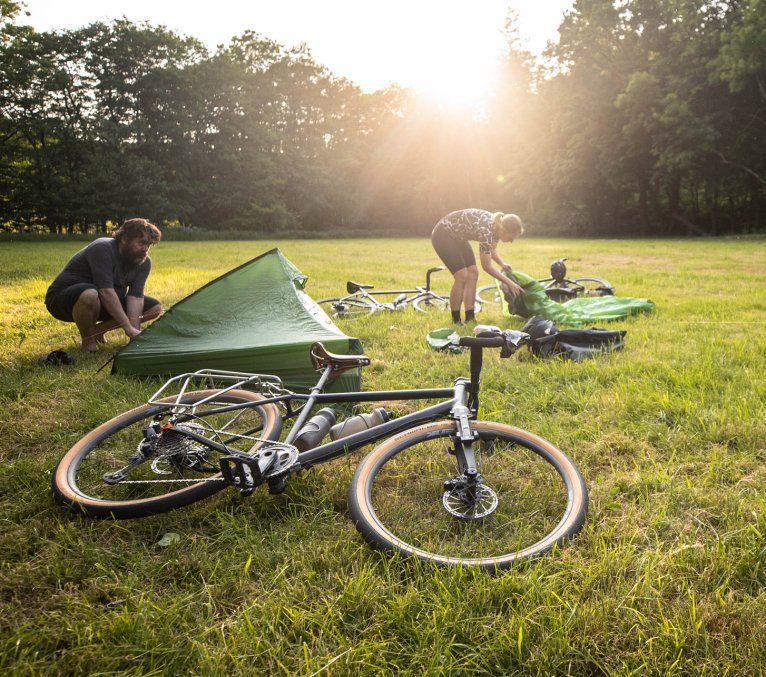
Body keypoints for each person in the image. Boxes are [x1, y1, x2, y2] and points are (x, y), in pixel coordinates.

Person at [45, 218, 163, 351]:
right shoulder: (102, 248)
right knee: (90, 293)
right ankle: (88, 342)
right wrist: (127, 327)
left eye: (149, 244)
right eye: (141, 243)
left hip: (102, 302)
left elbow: (135, 298)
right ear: (124, 238)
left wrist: (133, 335)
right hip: (63, 300)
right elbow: (105, 291)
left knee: (155, 308)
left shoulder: (144, 262)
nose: (145, 249)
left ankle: (98, 331)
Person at [431, 208, 524, 324]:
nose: (511, 241)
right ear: (503, 230)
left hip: (459, 238)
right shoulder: (487, 230)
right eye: (511, 237)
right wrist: (510, 283)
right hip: (443, 235)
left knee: (473, 273)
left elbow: (491, 250)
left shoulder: (497, 228)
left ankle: (470, 317)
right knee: (462, 276)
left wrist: (502, 263)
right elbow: (487, 266)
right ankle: (456, 320)